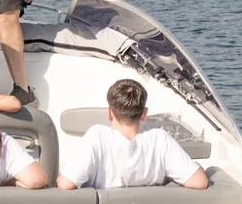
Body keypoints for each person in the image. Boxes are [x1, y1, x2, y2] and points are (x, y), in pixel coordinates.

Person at [56, 78, 210, 191]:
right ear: (144, 114)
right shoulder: (160, 140)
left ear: (110, 113)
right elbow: (199, 182)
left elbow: (66, 184)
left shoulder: (97, 136)